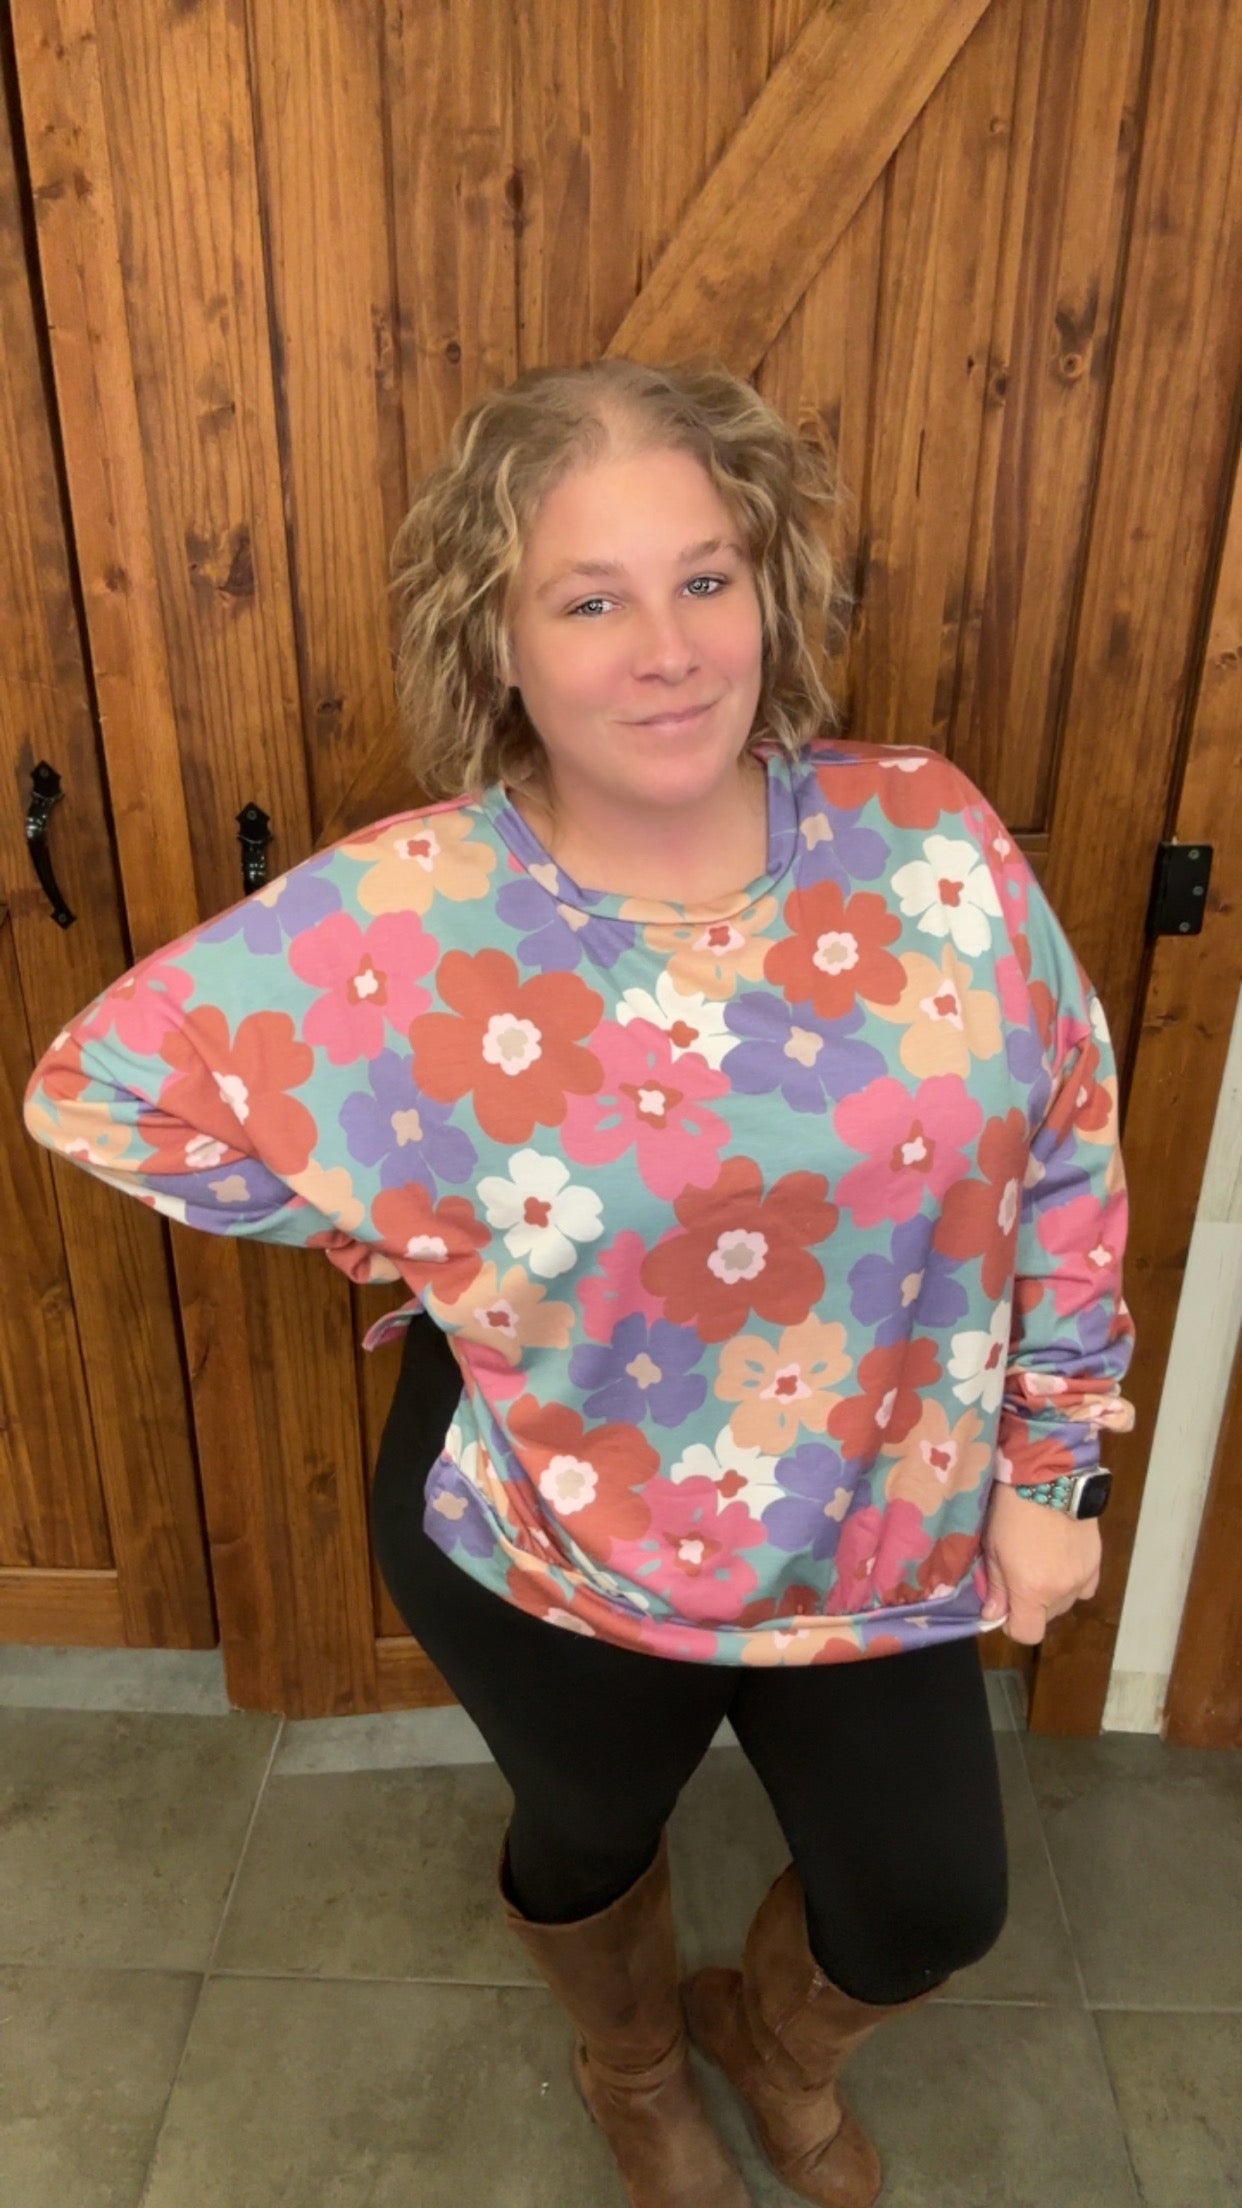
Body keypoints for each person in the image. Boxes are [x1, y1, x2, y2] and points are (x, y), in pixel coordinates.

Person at [24, 356, 1136, 2208]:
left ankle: (771, 2043)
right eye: (590, 600)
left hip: (879, 1513)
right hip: (549, 1522)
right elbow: (101, 1088)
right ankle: (631, 2066)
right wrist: (396, 1230)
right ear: (499, 641)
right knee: (588, 1826)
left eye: (705, 578)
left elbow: (1070, 1142)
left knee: (927, 1902)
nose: (669, 650)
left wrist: (1052, 1469)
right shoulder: (407, 911)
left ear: (768, 587)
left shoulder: (925, 832)